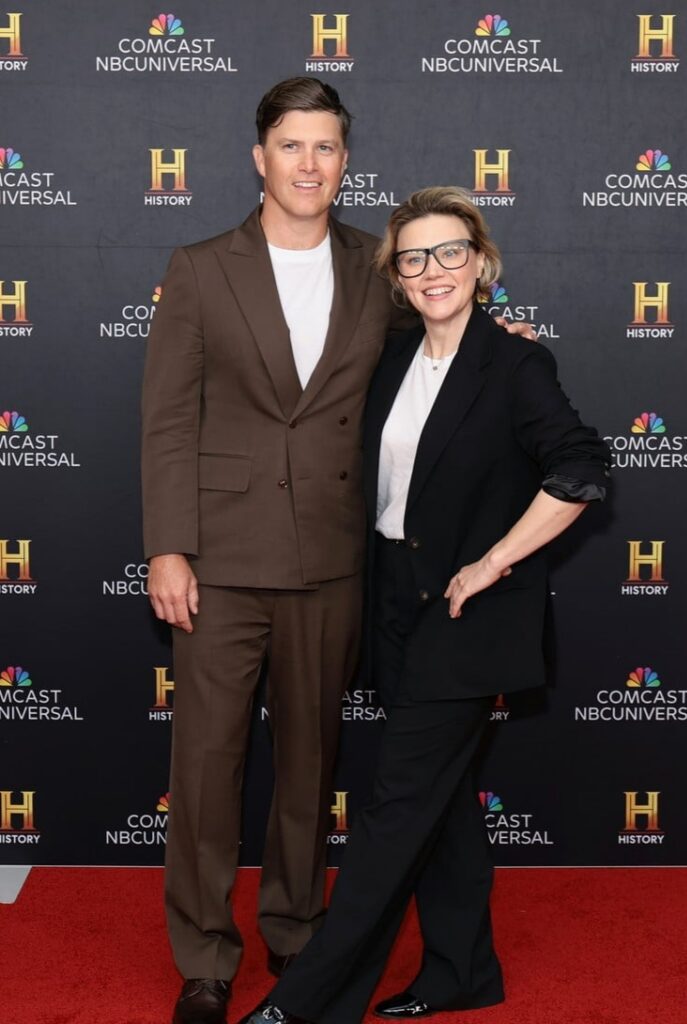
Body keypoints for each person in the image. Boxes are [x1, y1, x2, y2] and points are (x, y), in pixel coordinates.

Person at [142, 81, 534, 1024]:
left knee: (312, 767)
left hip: (334, 559)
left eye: (325, 147)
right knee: (205, 770)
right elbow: (168, 422)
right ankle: (205, 957)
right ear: (260, 157)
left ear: (345, 161)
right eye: (291, 145)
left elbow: (442, 333)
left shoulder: (377, 266)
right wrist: (168, 549)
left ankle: (296, 932)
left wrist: (500, 344)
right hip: (220, 562)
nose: (308, 164)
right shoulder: (200, 268)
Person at [238, 186, 611, 1024]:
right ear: (398, 277)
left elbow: (582, 469)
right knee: (443, 803)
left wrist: (495, 561)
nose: (432, 269)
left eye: (449, 252)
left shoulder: (515, 362)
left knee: (395, 807)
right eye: (413, 258)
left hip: (466, 619)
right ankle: (461, 972)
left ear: (480, 263)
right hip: (395, 606)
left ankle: (308, 1003)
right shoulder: (394, 353)